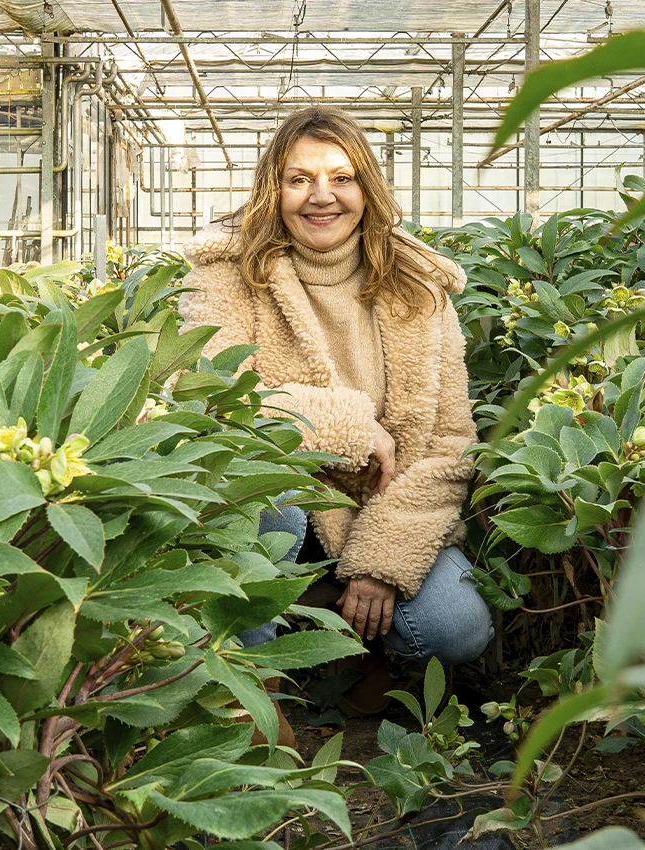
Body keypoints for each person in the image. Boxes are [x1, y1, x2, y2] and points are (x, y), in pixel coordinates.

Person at [178, 105, 494, 718]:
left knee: (456, 627)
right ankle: (246, 690)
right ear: (275, 190)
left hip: (384, 505)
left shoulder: (418, 287)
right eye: (300, 179)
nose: (321, 196)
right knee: (273, 498)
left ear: (366, 189)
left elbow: (451, 441)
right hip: (282, 509)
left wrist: (382, 561)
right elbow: (211, 397)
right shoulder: (228, 275)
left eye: (341, 178)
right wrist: (352, 425)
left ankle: (352, 635)